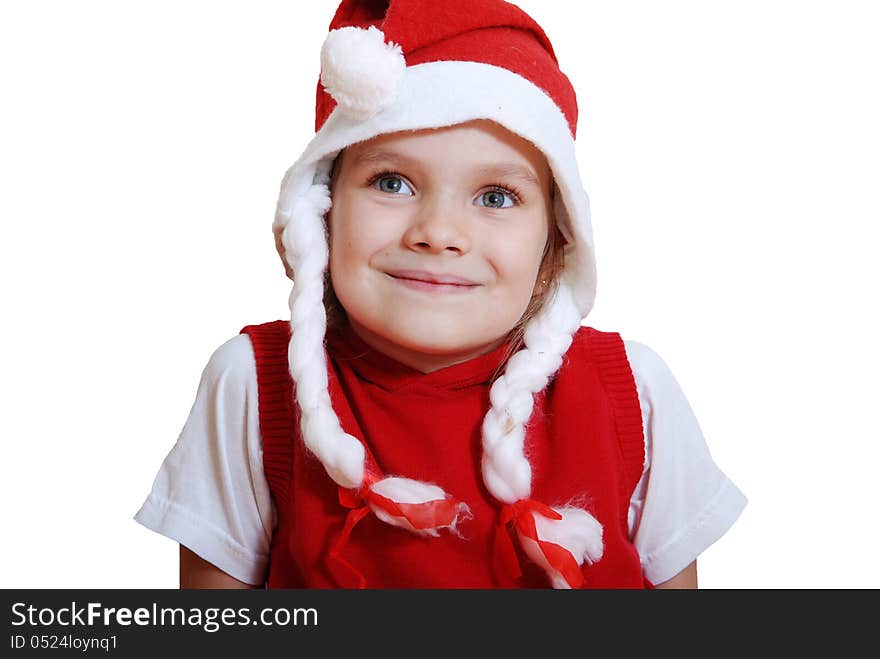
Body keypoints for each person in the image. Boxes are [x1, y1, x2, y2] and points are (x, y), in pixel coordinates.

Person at [135, 0, 746, 589]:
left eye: (496, 197)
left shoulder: (634, 394)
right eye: (392, 181)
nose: (439, 234)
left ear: (556, 241)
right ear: (320, 212)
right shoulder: (251, 386)